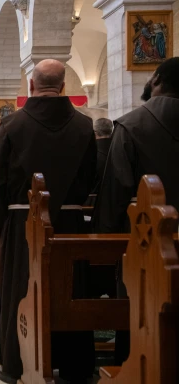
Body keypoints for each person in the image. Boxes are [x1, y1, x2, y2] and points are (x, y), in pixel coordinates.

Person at [0, 59, 96, 384]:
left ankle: (16, 361)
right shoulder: (85, 126)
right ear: (63, 87)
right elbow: (90, 177)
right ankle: (75, 363)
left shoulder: (11, 126)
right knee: (71, 287)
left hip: (23, 225)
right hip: (70, 225)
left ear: (31, 86)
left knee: (20, 287)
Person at [93, 57, 179, 365]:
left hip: (145, 247)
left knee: (139, 315)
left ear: (156, 79)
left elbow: (116, 193)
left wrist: (105, 247)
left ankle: (132, 366)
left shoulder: (130, 125)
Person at [92, 118, 113, 194]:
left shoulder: (90, 153)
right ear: (111, 132)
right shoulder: (119, 150)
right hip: (117, 198)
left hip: (93, 199)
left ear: (95, 133)